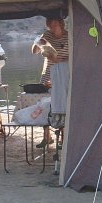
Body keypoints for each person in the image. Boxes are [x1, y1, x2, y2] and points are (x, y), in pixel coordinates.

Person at [31, 15, 69, 147]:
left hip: (64, 73)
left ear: (61, 24)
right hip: (49, 73)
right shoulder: (47, 35)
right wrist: (38, 42)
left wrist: (61, 60)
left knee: (62, 102)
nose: (53, 28)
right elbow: (34, 51)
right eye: (50, 26)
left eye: (55, 25)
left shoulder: (69, 36)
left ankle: (63, 137)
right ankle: (46, 137)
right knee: (44, 102)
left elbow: (75, 54)